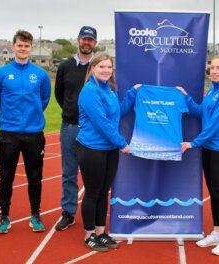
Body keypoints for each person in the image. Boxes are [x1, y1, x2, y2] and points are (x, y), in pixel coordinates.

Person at [0, 30, 51, 234]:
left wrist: (30, 118)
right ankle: (4, 217)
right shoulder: (0, 74)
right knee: (6, 177)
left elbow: (43, 100)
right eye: (19, 45)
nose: (23, 49)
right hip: (9, 134)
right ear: (13, 46)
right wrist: (10, 117)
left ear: (31, 48)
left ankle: (35, 215)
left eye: (26, 46)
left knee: (35, 177)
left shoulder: (41, 74)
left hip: (34, 134)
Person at [76, 53, 138, 251]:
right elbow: (101, 122)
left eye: (109, 67)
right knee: (92, 192)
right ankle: (89, 235)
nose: (105, 70)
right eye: (101, 66)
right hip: (92, 148)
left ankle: (101, 233)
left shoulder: (109, 90)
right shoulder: (89, 91)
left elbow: (118, 112)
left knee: (104, 192)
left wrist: (132, 94)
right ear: (93, 68)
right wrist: (122, 143)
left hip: (110, 149)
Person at [178, 54, 219, 256]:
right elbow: (200, 113)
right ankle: (216, 231)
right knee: (213, 191)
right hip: (209, 148)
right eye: (212, 68)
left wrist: (193, 143)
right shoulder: (213, 90)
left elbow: (213, 126)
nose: (214, 71)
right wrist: (185, 97)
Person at [54, 26, 97, 231]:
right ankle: (68, 212)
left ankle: (95, 213)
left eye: (90, 40)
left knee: (94, 174)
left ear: (95, 43)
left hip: (94, 130)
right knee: (69, 172)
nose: (87, 42)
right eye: (84, 39)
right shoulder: (65, 66)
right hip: (70, 126)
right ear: (78, 40)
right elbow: (59, 95)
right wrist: (72, 112)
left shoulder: (100, 66)